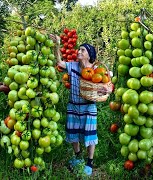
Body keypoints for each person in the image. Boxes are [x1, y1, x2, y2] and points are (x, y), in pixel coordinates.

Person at [51, 34, 111, 176]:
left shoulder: (97, 69)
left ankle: (90, 162)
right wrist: (57, 45)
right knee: (74, 133)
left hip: (89, 107)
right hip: (73, 105)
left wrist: (108, 89)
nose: (78, 51)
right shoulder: (72, 66)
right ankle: (78, 156)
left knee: (90, 135)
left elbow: (109, 82)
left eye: (82, 50)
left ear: (89, 55)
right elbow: (59, 63)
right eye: (79, 49)